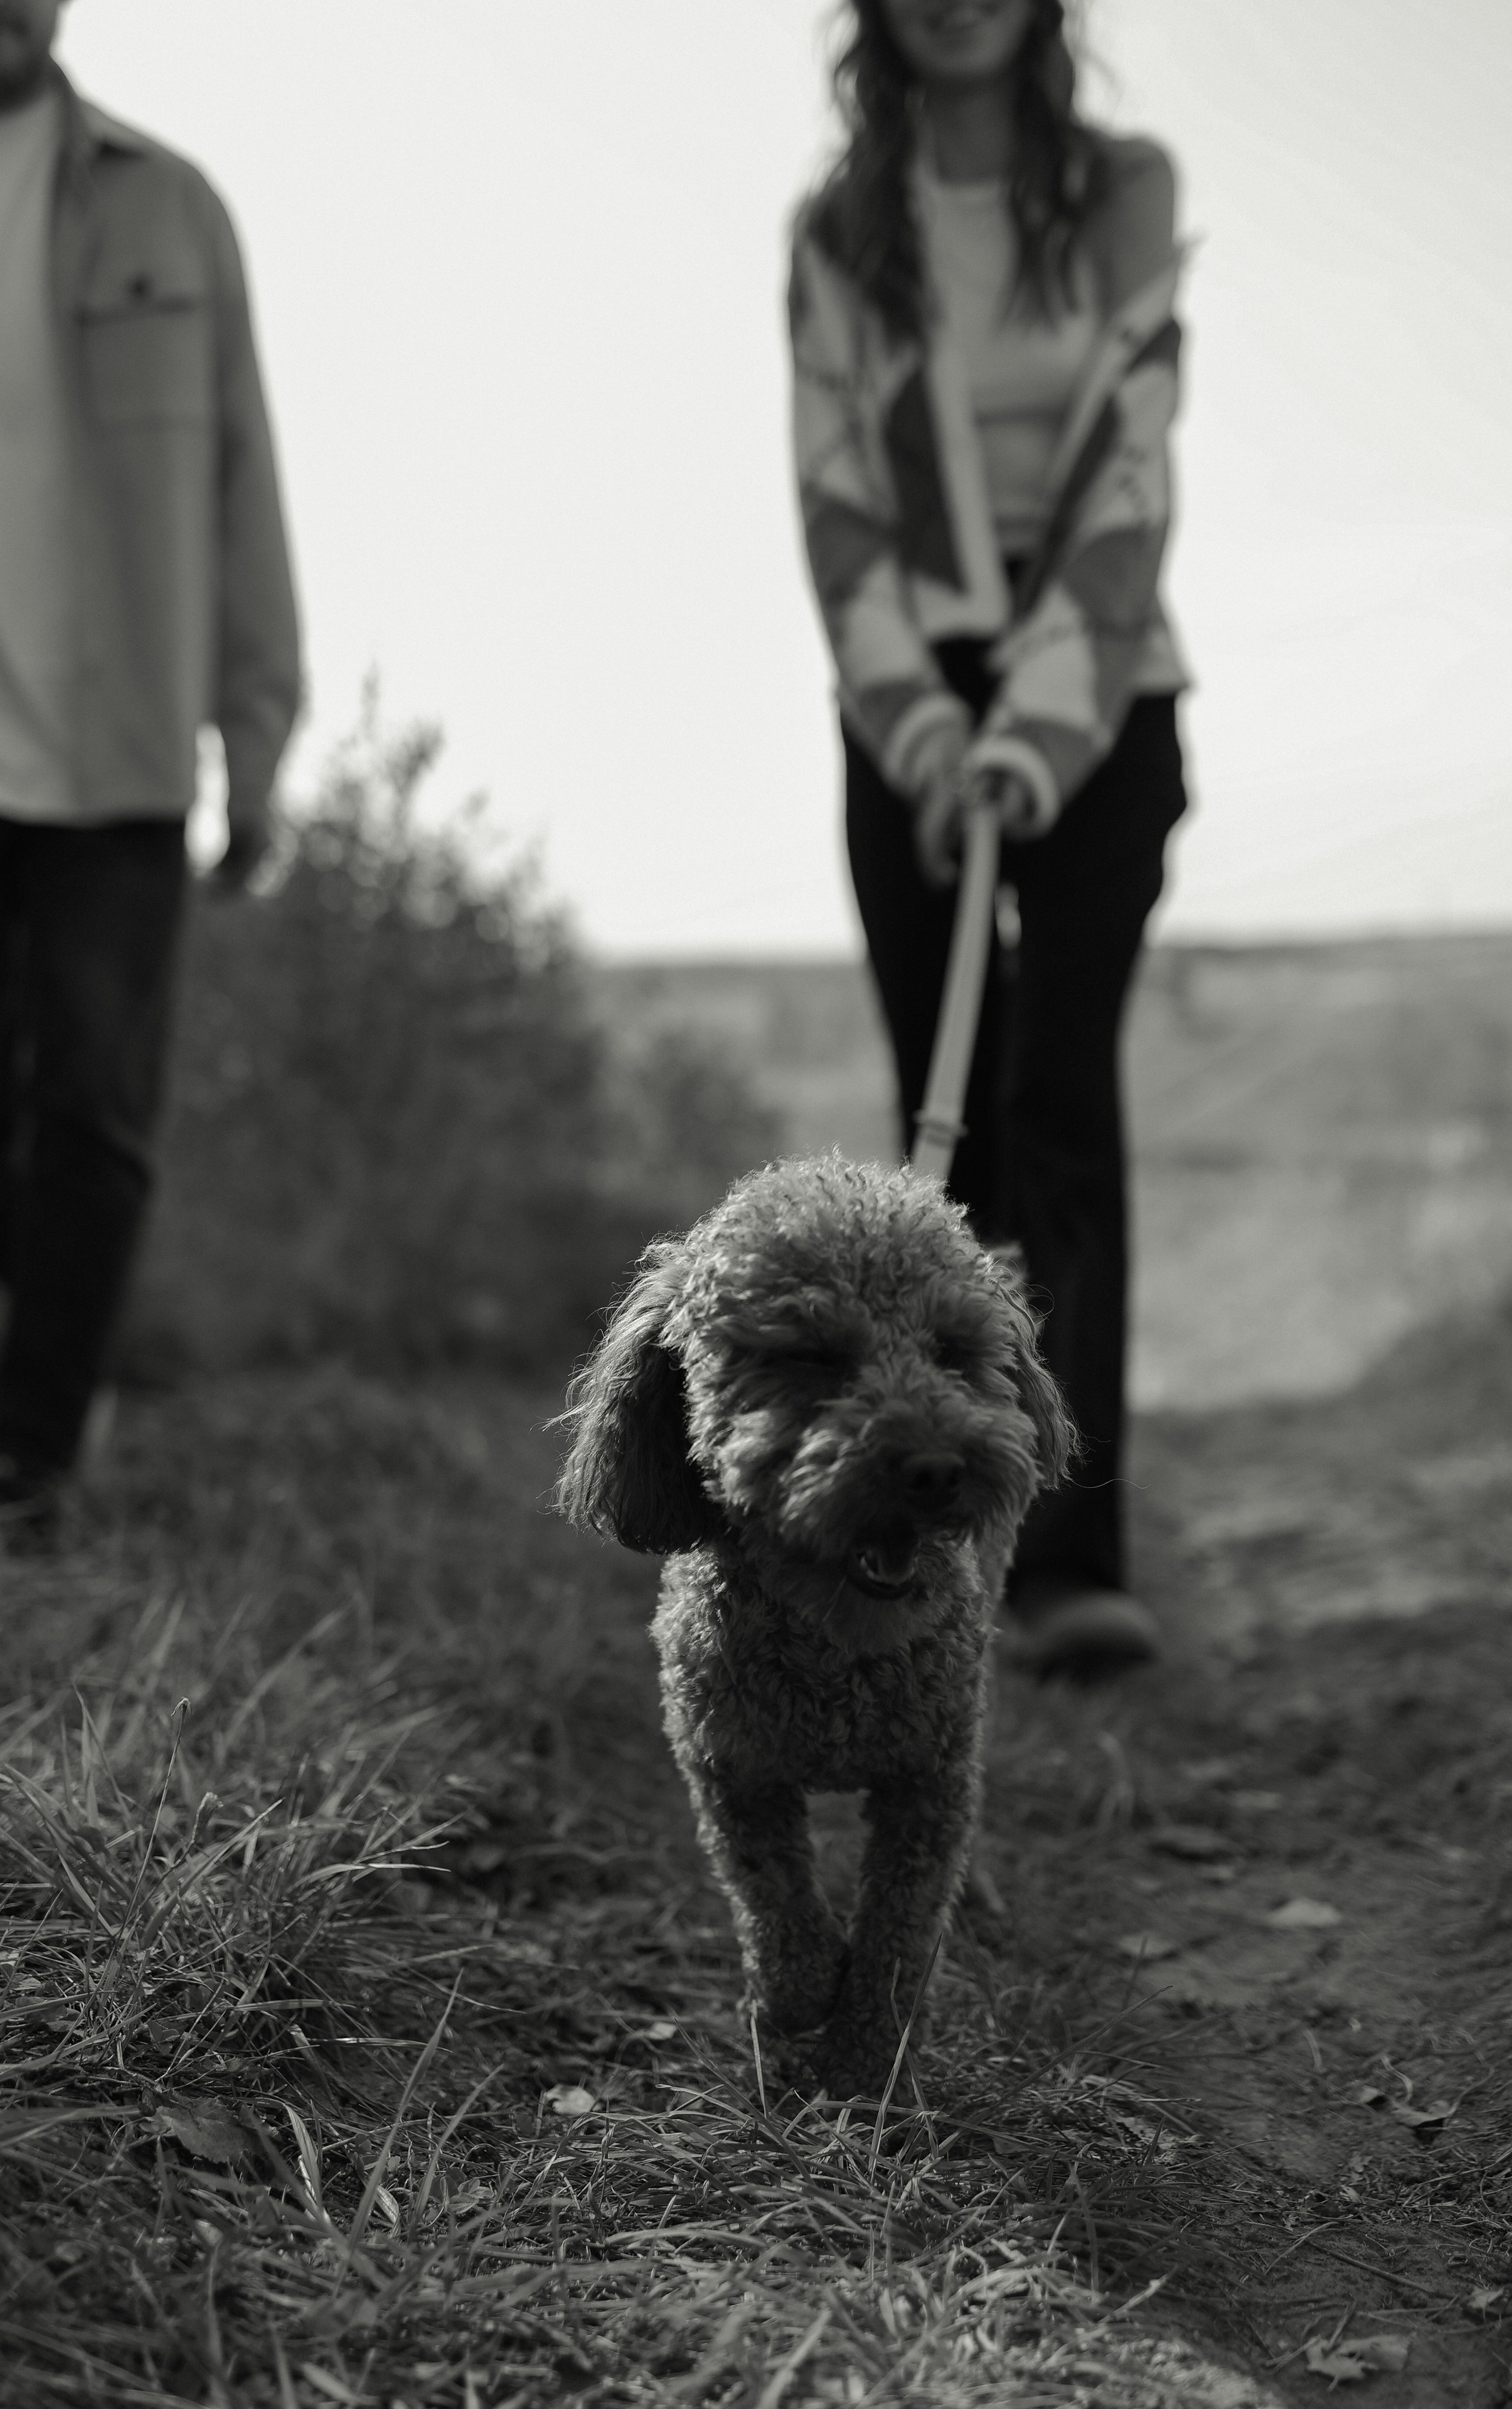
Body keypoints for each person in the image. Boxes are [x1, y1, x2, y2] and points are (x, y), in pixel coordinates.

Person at [789, 0, 1190, 1674]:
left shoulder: (1120, 188)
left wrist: (1034, 724)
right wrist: (931, 724)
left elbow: (1131, 461)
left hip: (1103, 678)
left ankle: (1072, 1556)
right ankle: (922, 1532)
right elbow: (836, 493)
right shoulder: (839, 230)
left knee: (1058, 1108)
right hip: (906, 703)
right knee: (948, 1136)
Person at [0, 0, 299, 1535]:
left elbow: (241, 476)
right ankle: (85, 1348)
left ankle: (34, 1469)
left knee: (96, 1116)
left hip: (119, 749)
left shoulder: (169, 205)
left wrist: (254, 733)